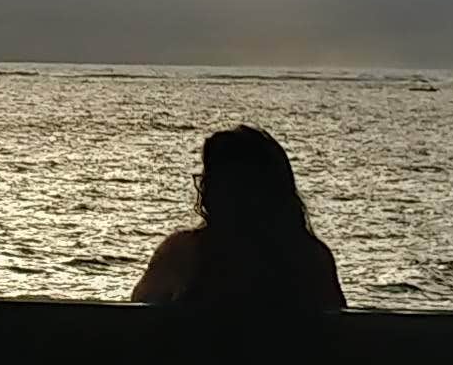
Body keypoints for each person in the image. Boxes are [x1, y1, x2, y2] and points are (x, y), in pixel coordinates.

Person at [128, 123, 346, 313]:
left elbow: (138, 315)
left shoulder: (184, 253)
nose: (203, 189)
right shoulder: (312, 259)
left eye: (209, 180)